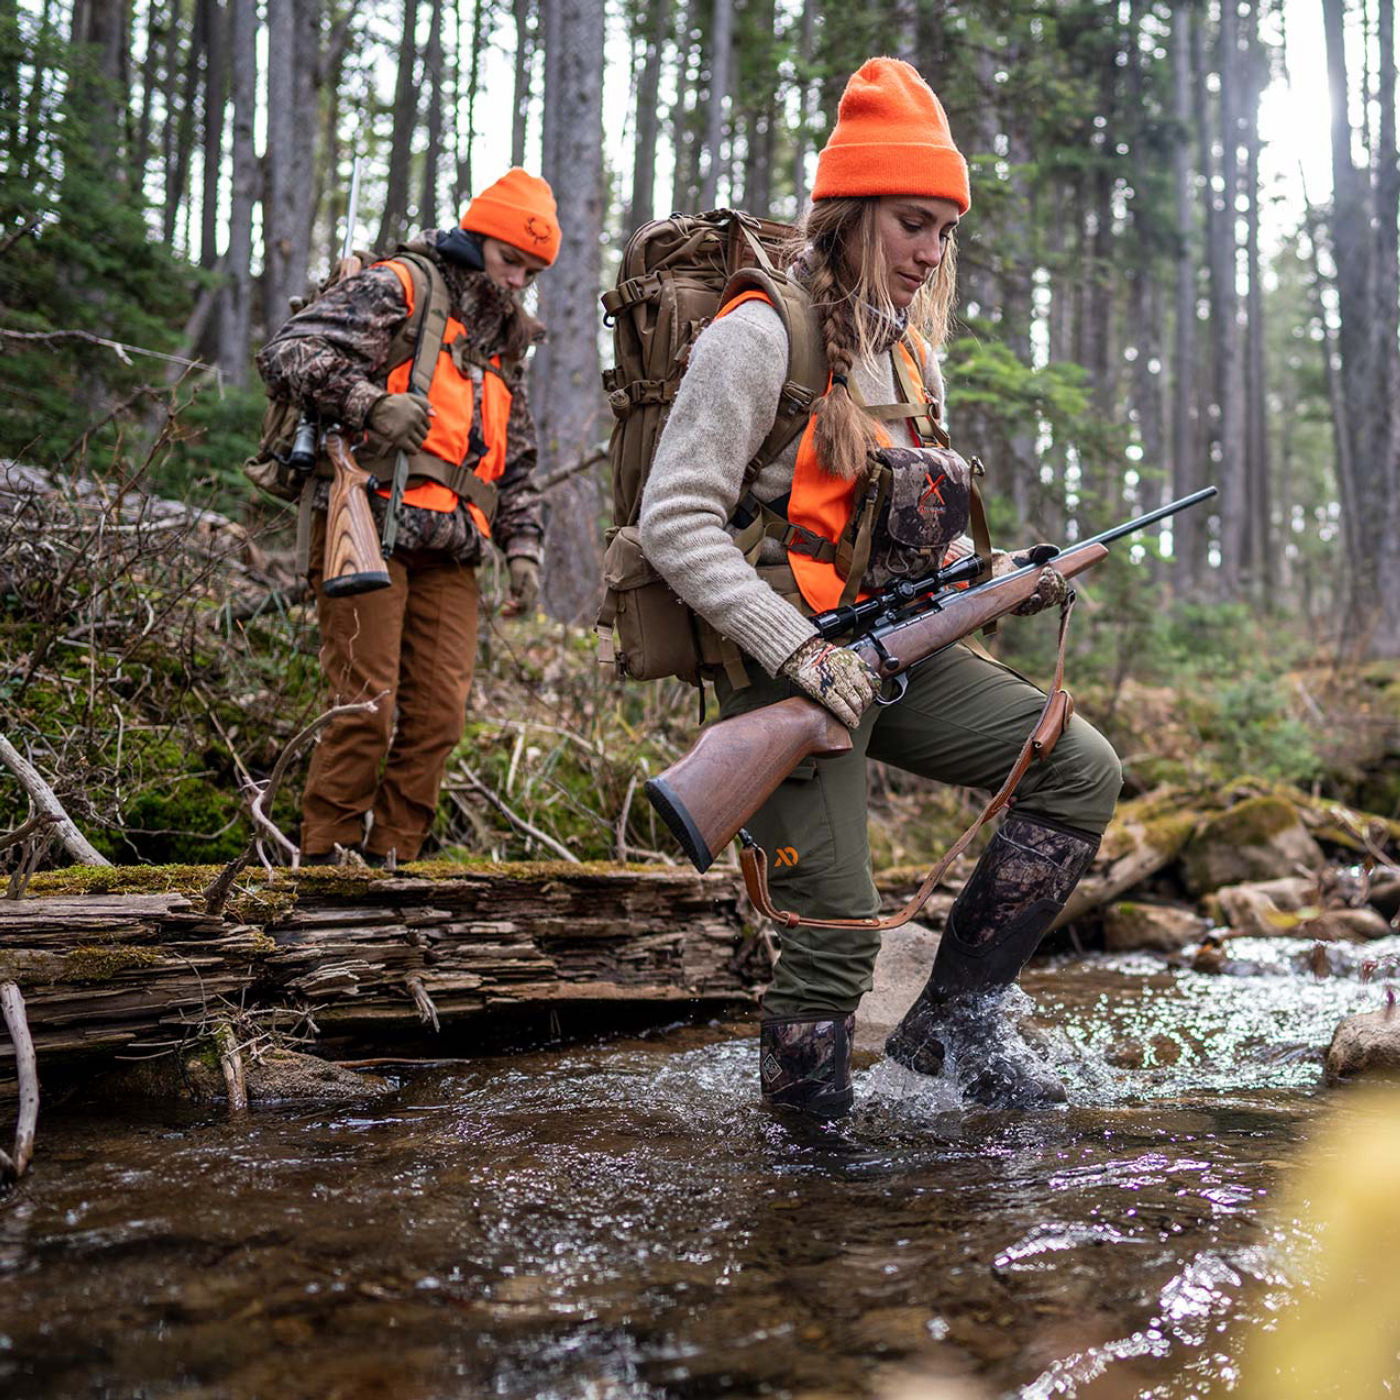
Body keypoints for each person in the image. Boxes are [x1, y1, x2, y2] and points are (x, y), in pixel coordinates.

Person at [638, 59, 1121, 1115]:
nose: (929, 250)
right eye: (912, 222)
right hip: (783, 669)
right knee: (834, 943)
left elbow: (914, 541)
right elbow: (672, 522)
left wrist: (994, 581)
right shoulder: (757, 334)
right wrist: (800, 654)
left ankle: (954, 1016)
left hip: (892, 658)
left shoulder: (914, 362)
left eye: (944, 229)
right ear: (850, 212)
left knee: (1077, 766)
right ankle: (806, 1186)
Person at [257, 168, 558, 866]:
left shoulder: (508, 340)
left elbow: (516, 459)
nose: (518, 280)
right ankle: (327, 872)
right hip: (370, 524)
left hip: (454, 549)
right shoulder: (401, 285)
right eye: (512, 260)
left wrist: (524, 549)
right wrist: (368, 404)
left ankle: (397, 868)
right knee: (365, 711)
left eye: (533, 270)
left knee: (437, 723)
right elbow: (286, 354)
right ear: (477, 239)